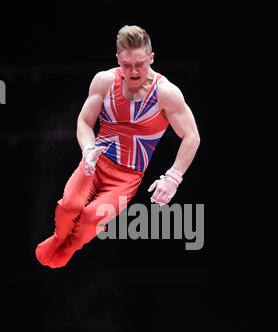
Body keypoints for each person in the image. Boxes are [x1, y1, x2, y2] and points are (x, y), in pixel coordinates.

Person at [35, 25, 200, 268]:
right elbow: (84, 121)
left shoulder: (166, 93)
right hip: (95, 162)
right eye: (126, 65)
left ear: (152, 58)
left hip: (127, 177)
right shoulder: (104, 82)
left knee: (92, 217)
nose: (133, 71)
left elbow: (192, 136)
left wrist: (173, 178)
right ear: (117, 59)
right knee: (70, 206)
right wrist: (89, 149)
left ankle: (70, 246)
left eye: (140, 64)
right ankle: (60, 237)